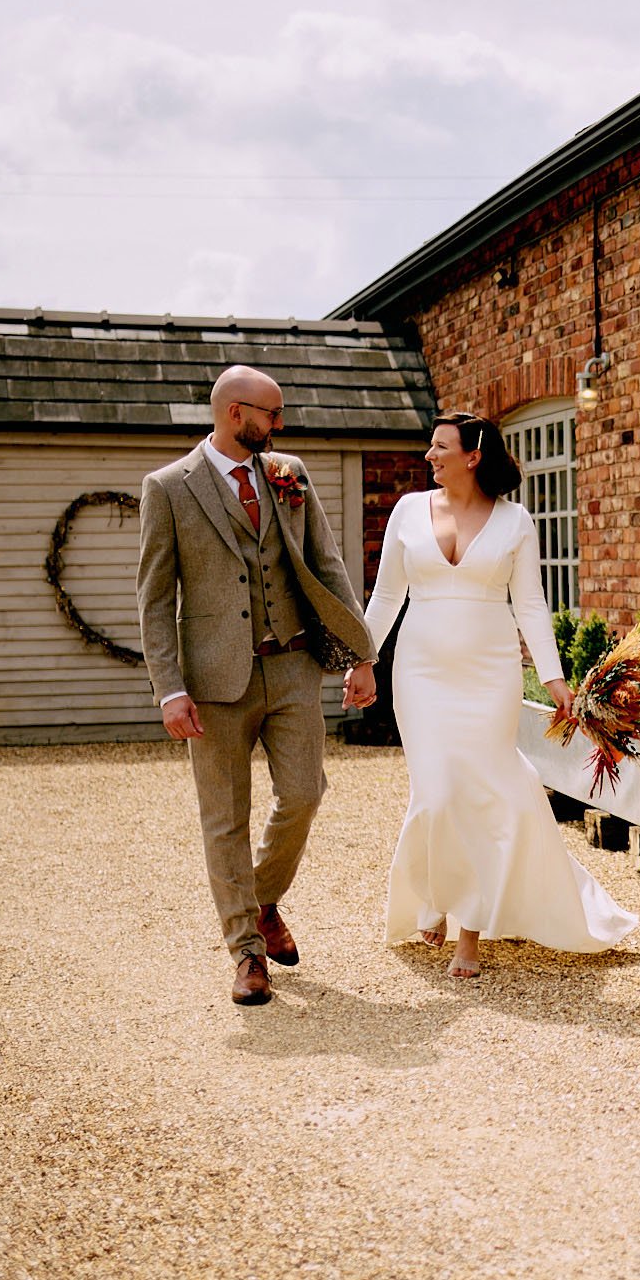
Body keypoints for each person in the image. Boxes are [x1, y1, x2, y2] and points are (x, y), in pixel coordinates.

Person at [352, 411, 637, 978]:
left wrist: (555, 678)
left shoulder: (515, 522)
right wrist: (364, 660)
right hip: (421, 673)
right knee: (436, 794)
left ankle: (468, 933)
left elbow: (530, 604)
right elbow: (385, 598)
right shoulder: (409, 511)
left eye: (439, 447)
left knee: (476, 795)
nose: (428, 456)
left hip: (490, 675)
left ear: (473, 455)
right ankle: (434, 898)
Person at [134, 366, 378, 1006]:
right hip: (215, 682)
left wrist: (361, 656)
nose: (279, 425)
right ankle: (246, 952)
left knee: (304, 792)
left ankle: (264, 899)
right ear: (234, 413)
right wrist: (169, 689)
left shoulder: (288, 474)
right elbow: (155, 599)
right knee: (225, 820)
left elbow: (327, 564)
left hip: (293, 665)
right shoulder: (168, 489)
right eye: (271, 414)